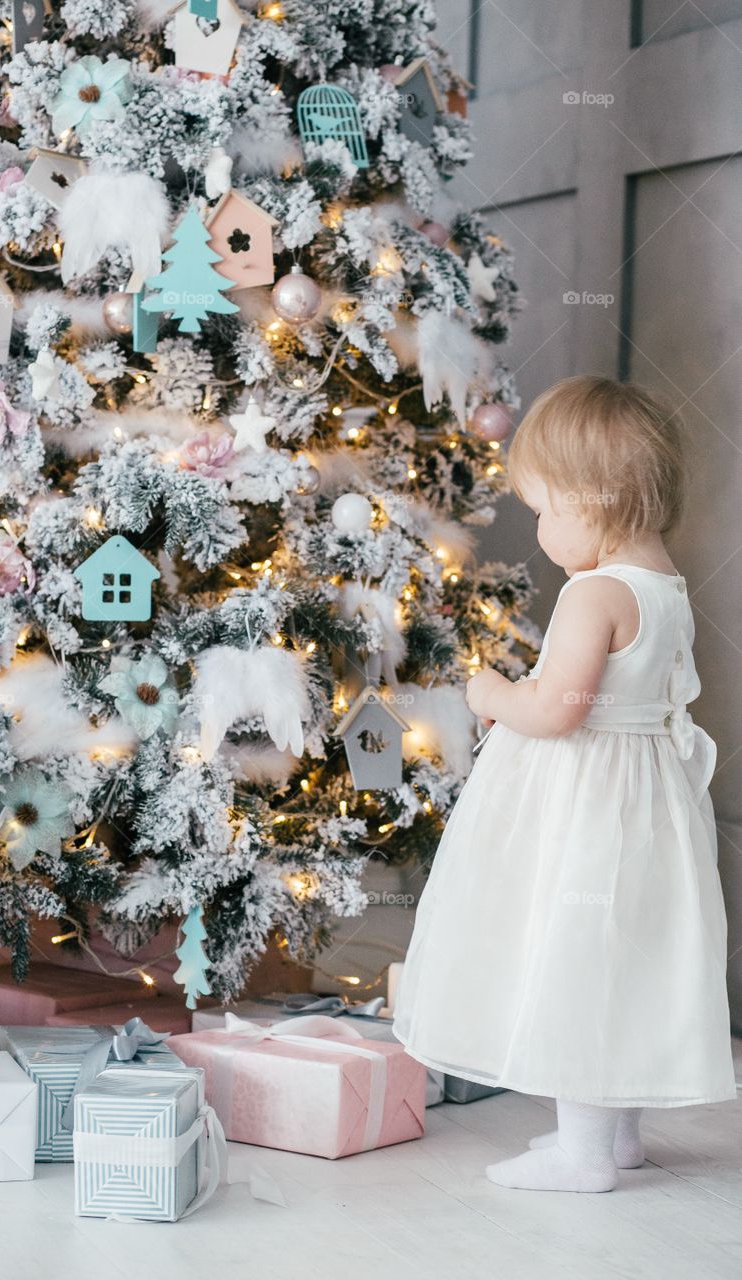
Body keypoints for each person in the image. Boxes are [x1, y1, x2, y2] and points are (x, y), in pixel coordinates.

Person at [392, 375, 737, 1192]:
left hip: (584, 805)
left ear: (598, 498)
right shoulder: (667, 588)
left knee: (571, 955)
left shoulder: (595, 593)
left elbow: (556, 711)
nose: (541, 528)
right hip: (645, 806)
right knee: (616, 958)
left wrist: (488, 694)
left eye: (545, 509)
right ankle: (613, 1139)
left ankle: (583, 1155)